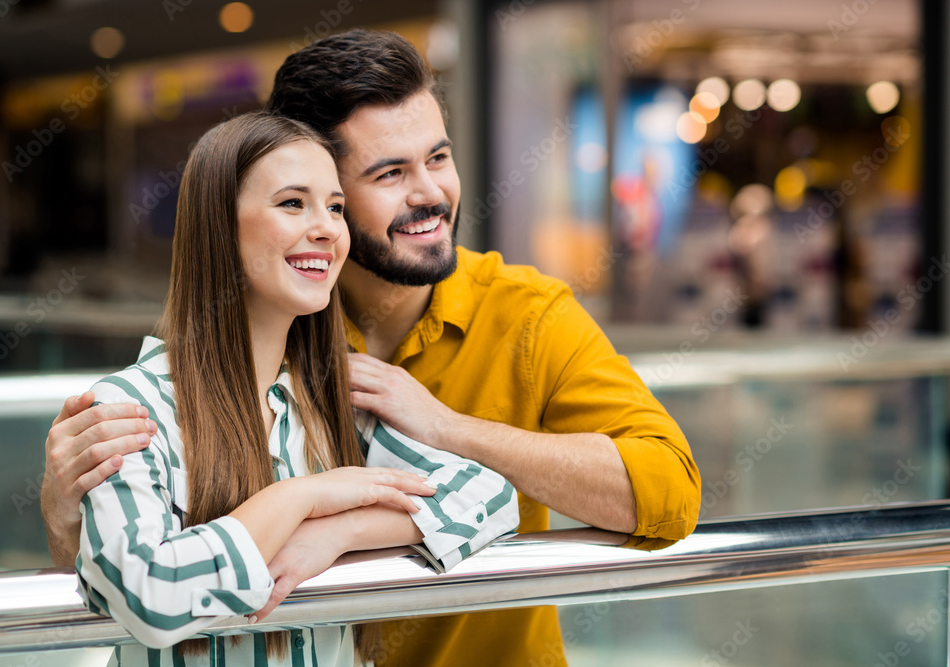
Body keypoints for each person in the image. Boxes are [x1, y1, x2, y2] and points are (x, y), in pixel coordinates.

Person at [43, 30, 701, 667]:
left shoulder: (526, 312)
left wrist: (429, 444)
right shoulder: (279, 351)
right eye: (389, 172)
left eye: (439, 158)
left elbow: (667, 492)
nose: (430, 193)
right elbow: (137, 577)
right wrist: (64, 517)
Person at [75, 110, 518, 666]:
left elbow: (489, 497)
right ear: (219, 226)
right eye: (292, 203)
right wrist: (303, 496)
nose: (329, 228)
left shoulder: (333, 396)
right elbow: (148, 594)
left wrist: (338, 532)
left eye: (335, 207)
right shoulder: (129, 409)